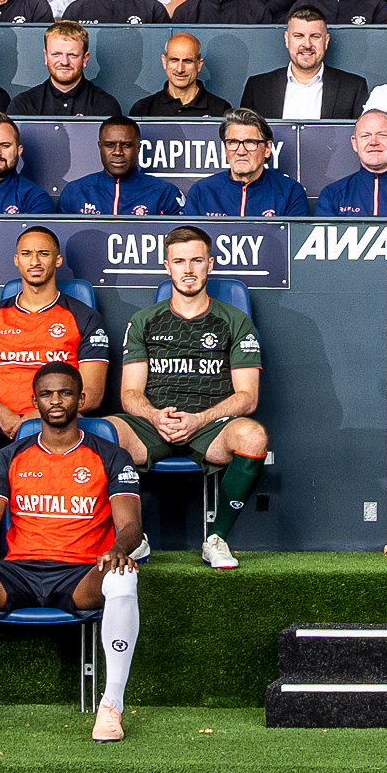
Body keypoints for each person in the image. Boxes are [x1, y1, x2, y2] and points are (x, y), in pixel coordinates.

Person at [0, 362, 143, 740]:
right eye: (47, 394)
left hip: (81, 572)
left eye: (65, 393)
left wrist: (117, 549)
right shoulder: (9, 456)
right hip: (18, 571)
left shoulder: (111, 455)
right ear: (34, 401)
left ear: (81, 399)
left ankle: (111, 707)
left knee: (123, 578)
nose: (56, 401)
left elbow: (130, 527)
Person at [111, 225, 271, 570]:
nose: (188, 270)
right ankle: (131, 537)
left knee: (253, 436)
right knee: (102, 434)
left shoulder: (235, 321)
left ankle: (217, 538)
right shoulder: (144, 321)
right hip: (154, 424)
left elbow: (248, 397)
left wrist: (200, 419)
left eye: (196, 260)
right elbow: (129, 393)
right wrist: (154, 416)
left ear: (209, 264)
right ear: (166, 266)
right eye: (179, 261)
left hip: (210, 426)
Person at [230, 6, 367, 123]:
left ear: (326, 41)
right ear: (286, 39)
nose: (307, 44)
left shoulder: (353, 87)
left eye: (315, 36)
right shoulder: (257, 87)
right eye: (298, 36)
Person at [182, 109, 305, 218]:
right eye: (233, 142)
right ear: (225, 149)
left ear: (267, 149)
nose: (241, 151)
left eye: (250, 143)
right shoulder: (201, 191)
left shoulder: (290, 192)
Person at [57, 116, 186, 217]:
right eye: (109, 145)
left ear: (138, 148)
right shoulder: (75, 191)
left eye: (126, 145)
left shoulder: (165, 193)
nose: (118, 152)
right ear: (100, 147)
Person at [12, 20, 125, 118]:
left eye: (72, 55)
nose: (64, 62)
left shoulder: (105, 105)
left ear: (85, 59)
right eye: (56, 54)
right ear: (46, 57)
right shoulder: (23, 104)